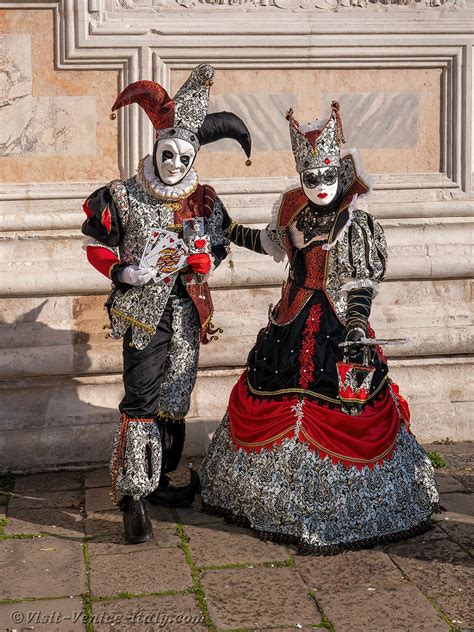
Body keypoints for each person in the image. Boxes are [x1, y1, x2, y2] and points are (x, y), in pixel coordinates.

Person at [199, 101, 439, 554]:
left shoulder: (357, 225)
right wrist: (227, 226)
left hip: (337, 323)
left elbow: (361, 280)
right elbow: (266, 243)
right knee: (277, 396)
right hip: (290, 319)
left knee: (345, 400)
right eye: (311, 179)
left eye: (328, 176)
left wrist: (356, 323)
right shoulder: (293, 213)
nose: (321, 187)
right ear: (301, 179)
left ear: (340, 174)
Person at [81, 64, 251, 544]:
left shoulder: (201, 200)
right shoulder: (123, 195)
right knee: (141, 396)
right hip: (141, 313)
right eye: (168, 153)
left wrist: (206, 259)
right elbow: (97, 244)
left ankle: (161, 479)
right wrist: (121, 271)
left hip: (187, 312)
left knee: (176, 397)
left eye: (184, 156)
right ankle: (133, 494)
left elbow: (221, 241)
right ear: (155, 149)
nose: (175, 163)